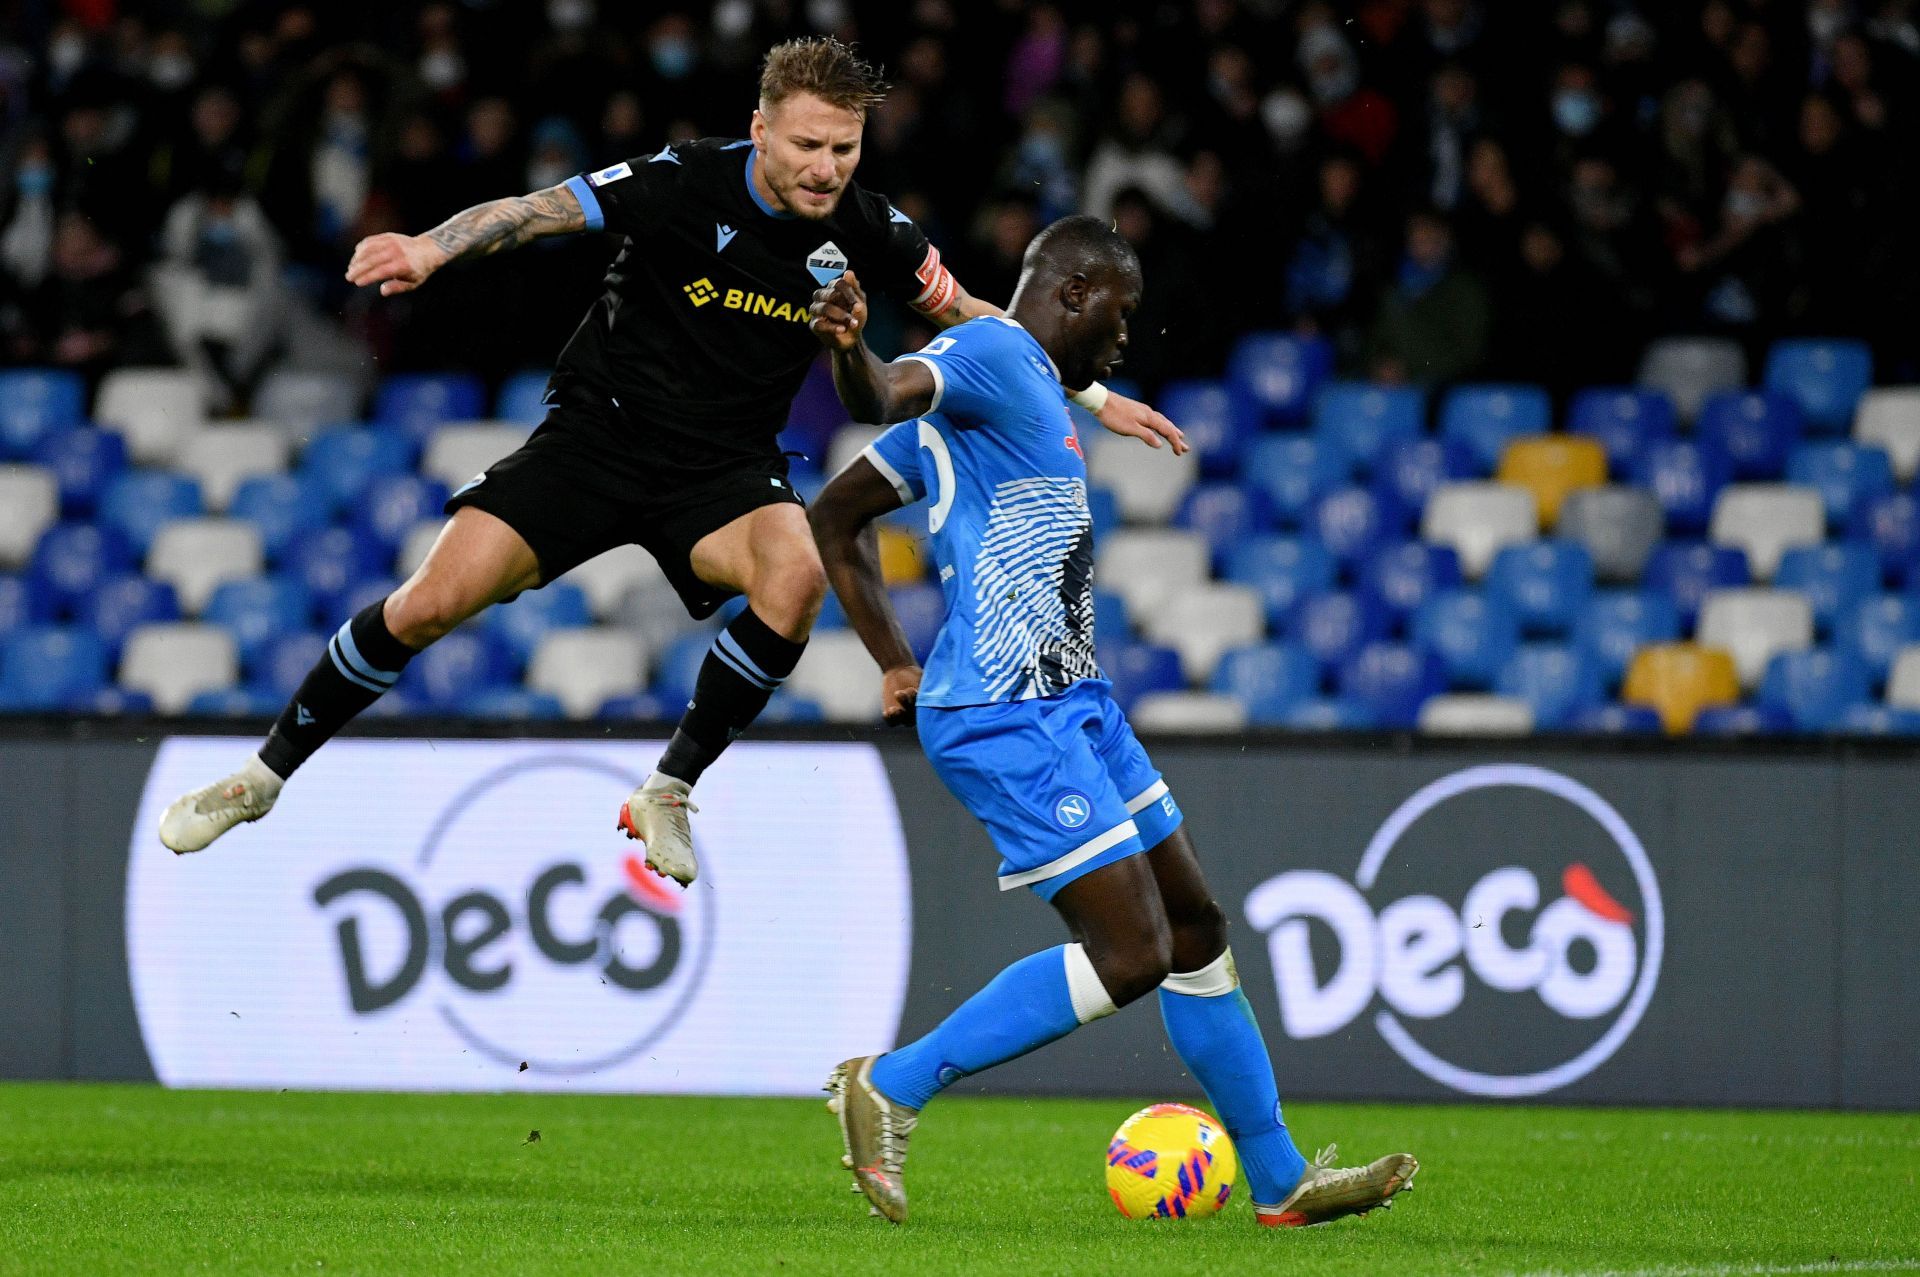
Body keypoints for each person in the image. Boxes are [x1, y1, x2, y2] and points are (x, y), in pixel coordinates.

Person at [157, 37, 1184, 879]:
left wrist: (1091, 393)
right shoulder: (680, 182)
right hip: (596, 438)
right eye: (811, 146)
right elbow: (536, 212)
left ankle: (669, 787)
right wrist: (432, 245)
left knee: (795, 572)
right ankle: (264, 773)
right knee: (427, 603)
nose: (828, 168)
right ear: (761, 131)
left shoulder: (869, 227)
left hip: (723, 467)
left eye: (846, 148)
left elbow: (969, 317)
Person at [805, 217, 1416, 1226]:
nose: (1127, 337)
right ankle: (892, 1083)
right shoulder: (992, 353)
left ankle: (1279, 1177)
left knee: (1195, 928)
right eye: (1123, 315)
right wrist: (847, 351)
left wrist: (896, 657)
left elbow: (836, 512)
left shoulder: (1022, 392)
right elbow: (885, 390)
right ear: (1080, 293)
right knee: (1131, 951)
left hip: (1074, 699)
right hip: (1007, 708)